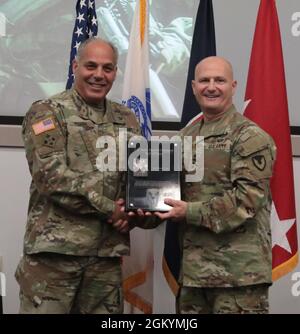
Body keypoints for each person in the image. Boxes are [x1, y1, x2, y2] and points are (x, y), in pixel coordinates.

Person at [15, 37, 140, 314]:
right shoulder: (47, 112)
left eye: (107, 68)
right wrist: (112, 210)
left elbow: (138, 181)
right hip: (54, 257)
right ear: (75, 66)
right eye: (91, 66)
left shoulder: (127, 119)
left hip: (105, 260)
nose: (99, 75)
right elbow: (52, 178)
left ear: (115, 72)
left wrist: (139, 211)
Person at [155, 56, 276, 314]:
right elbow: (167, 193)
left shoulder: (250, 137)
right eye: (204, 80)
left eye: (219, 80)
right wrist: (140, 207)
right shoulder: (185, 137)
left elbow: (246, 202)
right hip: (193, 276)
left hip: (237, 278)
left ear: (233, 86)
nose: (211, 87)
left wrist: (188, 211)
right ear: (193, 87)